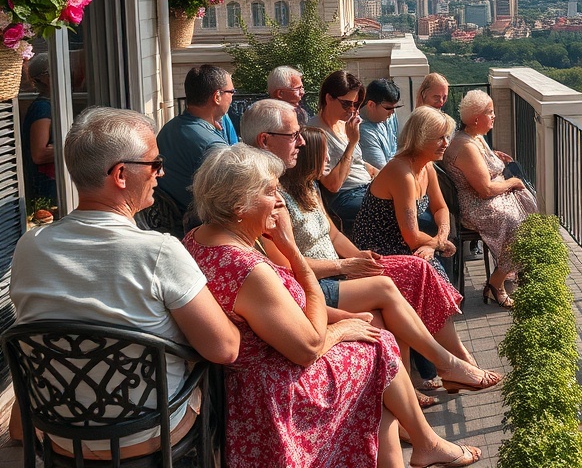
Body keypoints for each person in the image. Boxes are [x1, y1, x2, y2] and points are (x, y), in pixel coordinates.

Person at [186, 144, 483, 468]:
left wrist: (346, 317)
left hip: (259, 370)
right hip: (274, 392)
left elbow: (279, 306)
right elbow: (307, 348)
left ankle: (426, 438)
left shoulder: (199, 238)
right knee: (379, 348)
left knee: (374, 341)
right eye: (270, 192)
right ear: (238, 205)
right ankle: (427, 437)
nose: (278, 201)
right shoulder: (246, 267)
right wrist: (298, 259)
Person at [10, 107, 240, 459]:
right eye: (154, 164)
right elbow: (224, 348)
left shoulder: (29, 246)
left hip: (60, 432)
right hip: (146, 434)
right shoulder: (159, 251)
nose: (160, 174)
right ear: (120, 174)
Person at [279, 126, 498, 405]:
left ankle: (439, 370)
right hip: (324, 279)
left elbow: (333, 235)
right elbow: (286, 264)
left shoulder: (310, 189)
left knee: (417, 271)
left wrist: (361, 257)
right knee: (410, 276)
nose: (328, 162)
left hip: (344, 266)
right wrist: (346, 265)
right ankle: (448, 366)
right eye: (324, 155)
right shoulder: (282, 200)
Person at [442, 90, 536, 309]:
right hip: (476, 206)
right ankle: (495, 284)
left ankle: (517, 267)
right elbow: (484, 190)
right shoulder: (465, 147)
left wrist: (493, 156)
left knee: (525, 212)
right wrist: (513, 183)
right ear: (476, 118)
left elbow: (479, 167)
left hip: (482, 199)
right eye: (490, 112)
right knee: (518, 224)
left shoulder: (473, 136)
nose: (494, 116)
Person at [352, 107, 458, 280]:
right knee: (434, 276)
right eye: (440, 138)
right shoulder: (402, 172)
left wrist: (439, 239)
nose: (446, 143)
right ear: (421, 138)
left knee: (435, 272)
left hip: (402, 243)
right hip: (379, 251)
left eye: (446, 136)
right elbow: (413, 238)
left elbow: (441, 208)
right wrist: (439, 244)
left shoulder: (427, 167)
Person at [156, 64, 236, 236]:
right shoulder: (213, 146)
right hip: (196, 234)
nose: (232, 98)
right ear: (217, 96)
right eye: (231, 92)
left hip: (165, 225)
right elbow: (229, 204)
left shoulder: (168, 129)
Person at [308, 70, 376, 230]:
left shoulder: (345, 124)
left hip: (366, 187)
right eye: (346, 103)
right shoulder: (315, 132)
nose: (352, 109)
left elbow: (359, 163)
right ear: (328, 98)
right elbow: (333, 185)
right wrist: (352, 143)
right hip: (346, 196)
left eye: (356, 104)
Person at [20, 53, 56, 208]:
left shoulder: (51, 104)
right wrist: (74, 147)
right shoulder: (42, 107)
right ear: (45, 78)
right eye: (53, 72)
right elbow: (39, 155)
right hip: (46, 186)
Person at [359, 77, 402, 170]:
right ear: (371, 105)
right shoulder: (363, 130)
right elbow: (382, 171)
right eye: (388, 108)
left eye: (395, 108)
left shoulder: (389, 117)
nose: (392, 112)